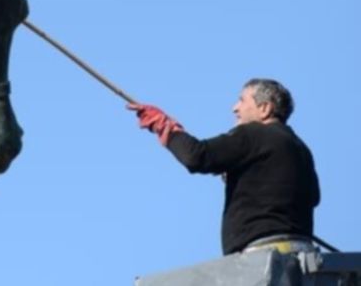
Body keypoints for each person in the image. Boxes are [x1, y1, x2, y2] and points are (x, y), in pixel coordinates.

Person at [130, 78, 321, 257]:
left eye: (242, 100)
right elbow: (313, 197)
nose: (234, 108)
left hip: (261, 257)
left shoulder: (253, 134)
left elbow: (197, 156)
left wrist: (165, 127)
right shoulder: (301, 150)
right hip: (303, 257)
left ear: (264, 109)